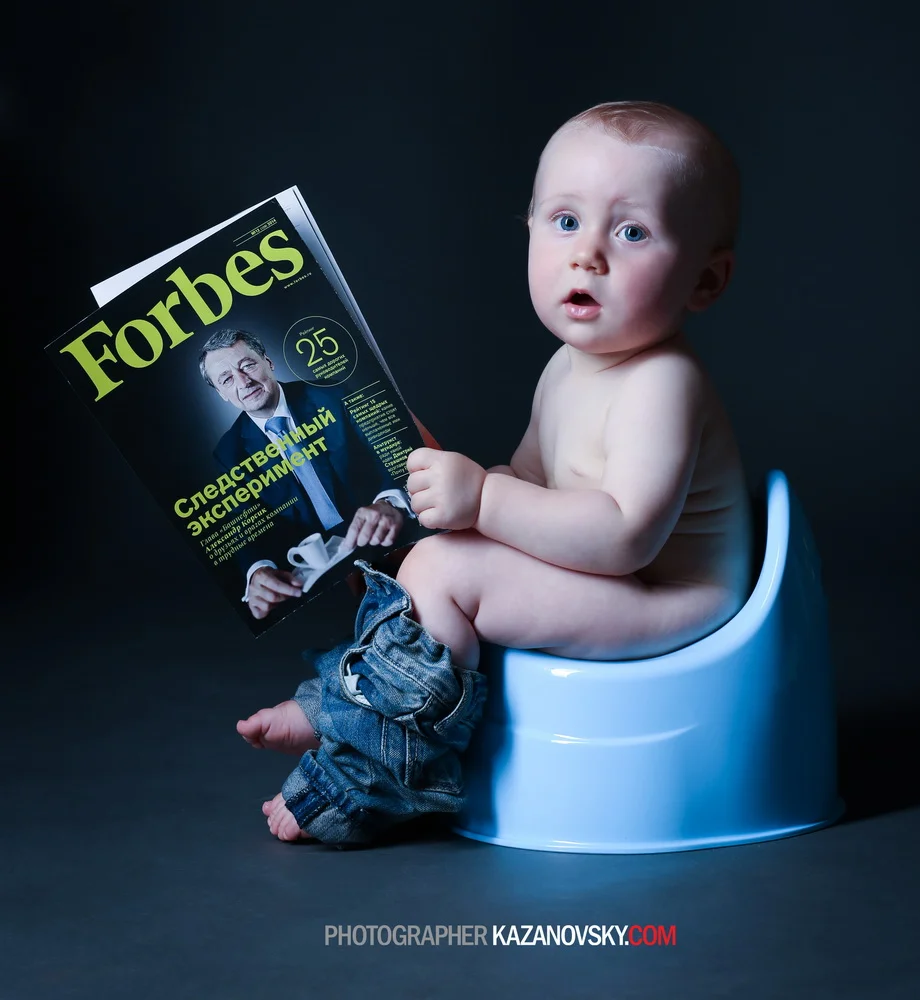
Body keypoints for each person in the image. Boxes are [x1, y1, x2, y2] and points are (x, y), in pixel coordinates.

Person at [237, 100, 755, 843]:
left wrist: (480, 499)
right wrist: (440, 485)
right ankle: (346, 710)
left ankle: (365, 778)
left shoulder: (661, 384)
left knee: (450, 571)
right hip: (616, 581)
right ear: (531, 232)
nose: (588, 256)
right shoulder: (567, 367)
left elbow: (622, 536)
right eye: (565, 221)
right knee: (428, 552)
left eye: (632, 231)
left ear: (705, 282)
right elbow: (532, 482)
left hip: (669, 600)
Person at [200, 328, 413, 621]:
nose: (243, 382)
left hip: (387, 543)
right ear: (222, 394)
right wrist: (257, 571)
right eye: (226, 379)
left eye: (247, 365)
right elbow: (244, 526)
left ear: (268, 362)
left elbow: (394, 452)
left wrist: (389, 504)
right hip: (322, 588)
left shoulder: (333, 393)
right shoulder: (227, 453)